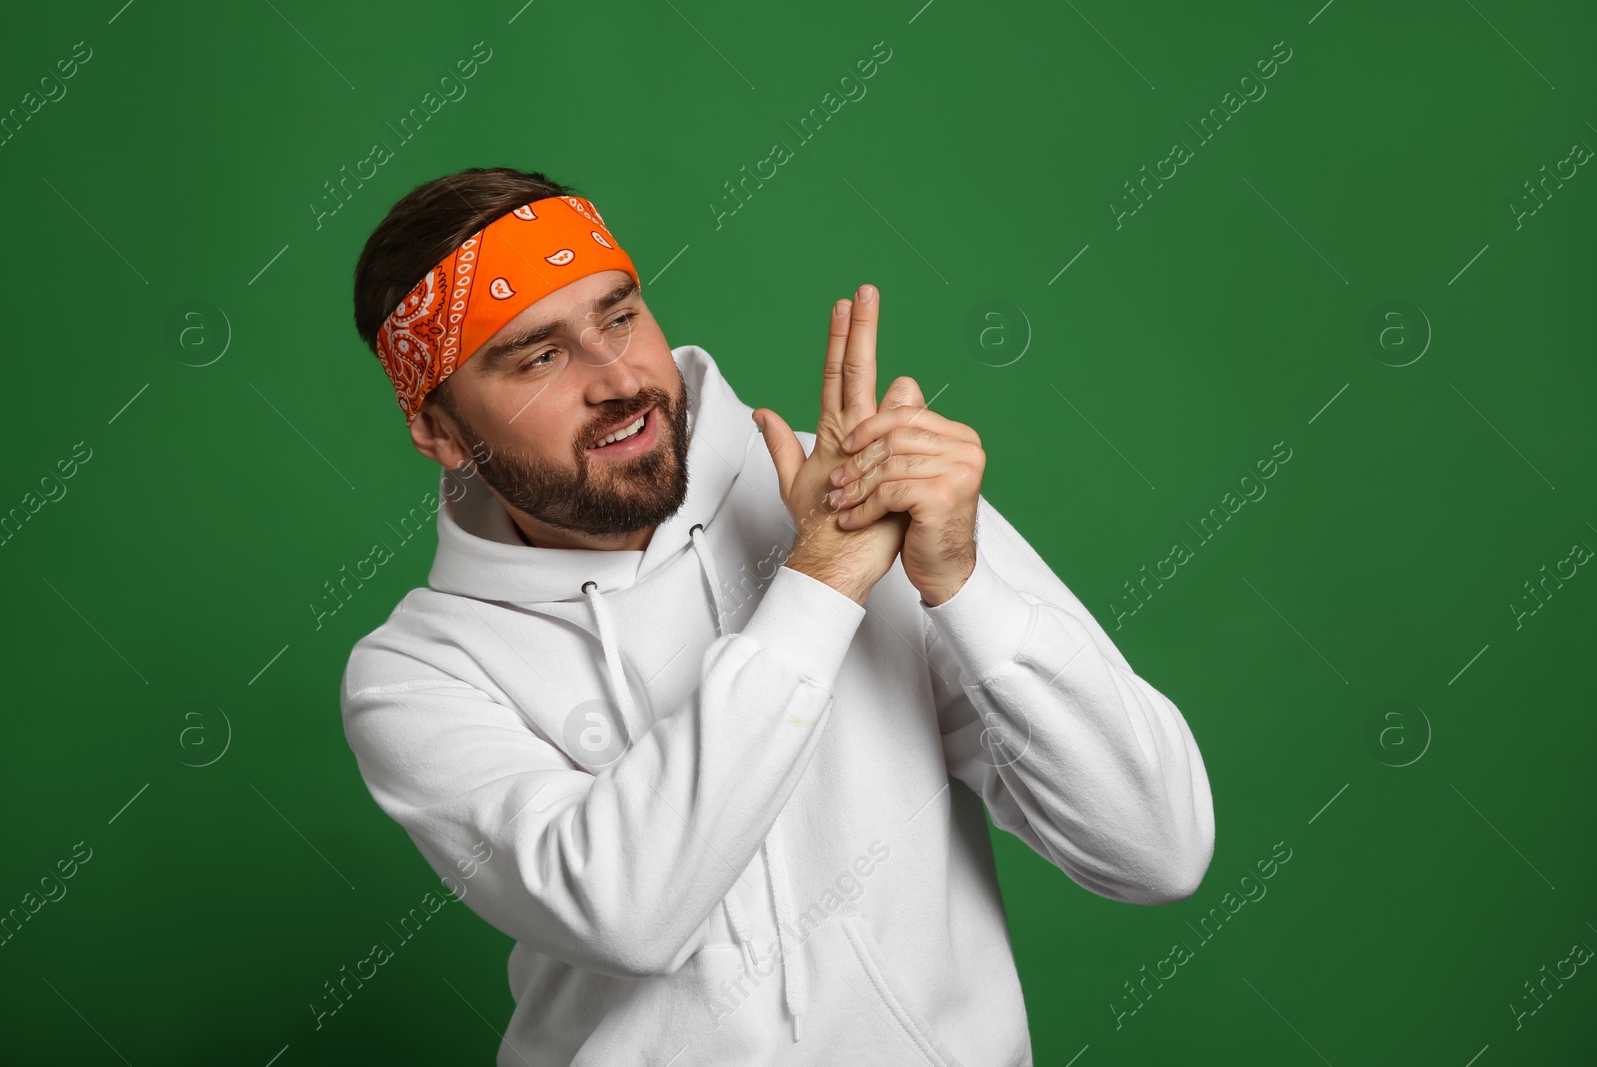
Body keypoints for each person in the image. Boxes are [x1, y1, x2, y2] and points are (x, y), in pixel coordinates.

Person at [342, 166, 1215, 1066]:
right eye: (538, 356)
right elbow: (629, 913)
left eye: (619, 315)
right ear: (443, 434)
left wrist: (961, 586)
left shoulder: (864, 493)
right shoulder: (418, 673)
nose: (615, 378)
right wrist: (822, 581)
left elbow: (1157, 851)